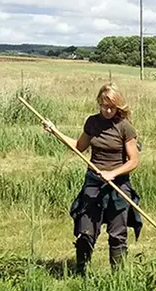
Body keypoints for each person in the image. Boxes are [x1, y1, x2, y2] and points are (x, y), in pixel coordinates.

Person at [42, 83, 142, 274]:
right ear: (99, 103)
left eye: (112, 106)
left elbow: (133, 161)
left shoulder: (125, 128)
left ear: (119, 106)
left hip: (118, 185)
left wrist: (112, 173)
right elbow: (79, 147)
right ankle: (81, 273)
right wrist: (55, 131)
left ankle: (119, 279)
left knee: (117, 235)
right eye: (104, 106)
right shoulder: (92, 123)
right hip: (94, 183)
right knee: (85, 231)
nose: (108, 110)